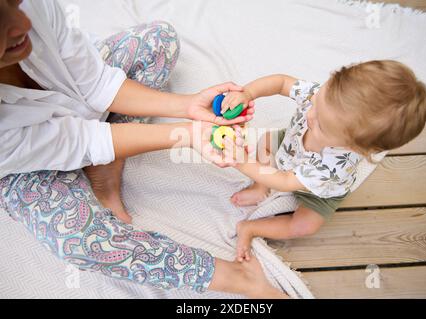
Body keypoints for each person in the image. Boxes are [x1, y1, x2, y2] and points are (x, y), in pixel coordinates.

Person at [0, 0, 288, 298]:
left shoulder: (32, 7)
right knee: (78, 240)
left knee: (158, 41)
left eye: (11, 1)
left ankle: (106, 167)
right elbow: (83, 141)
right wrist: (189, 134)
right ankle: (238, 277)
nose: (23, 23)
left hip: (79, 115)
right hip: (28, 162)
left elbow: (96, 84)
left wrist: (189, 105)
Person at [220, 65, 426, 261]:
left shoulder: (331, 169)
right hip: (290, 146)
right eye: (318, 101)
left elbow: (283, 181)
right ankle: (259, 188)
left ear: (354, 148)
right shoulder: (323, 99)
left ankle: (251, 228)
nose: (310, 113)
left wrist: (241, 162)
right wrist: (247, 94)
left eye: (321, 125)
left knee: (304, 226)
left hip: (317, 192)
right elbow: (281, 82)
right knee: (266, 142)